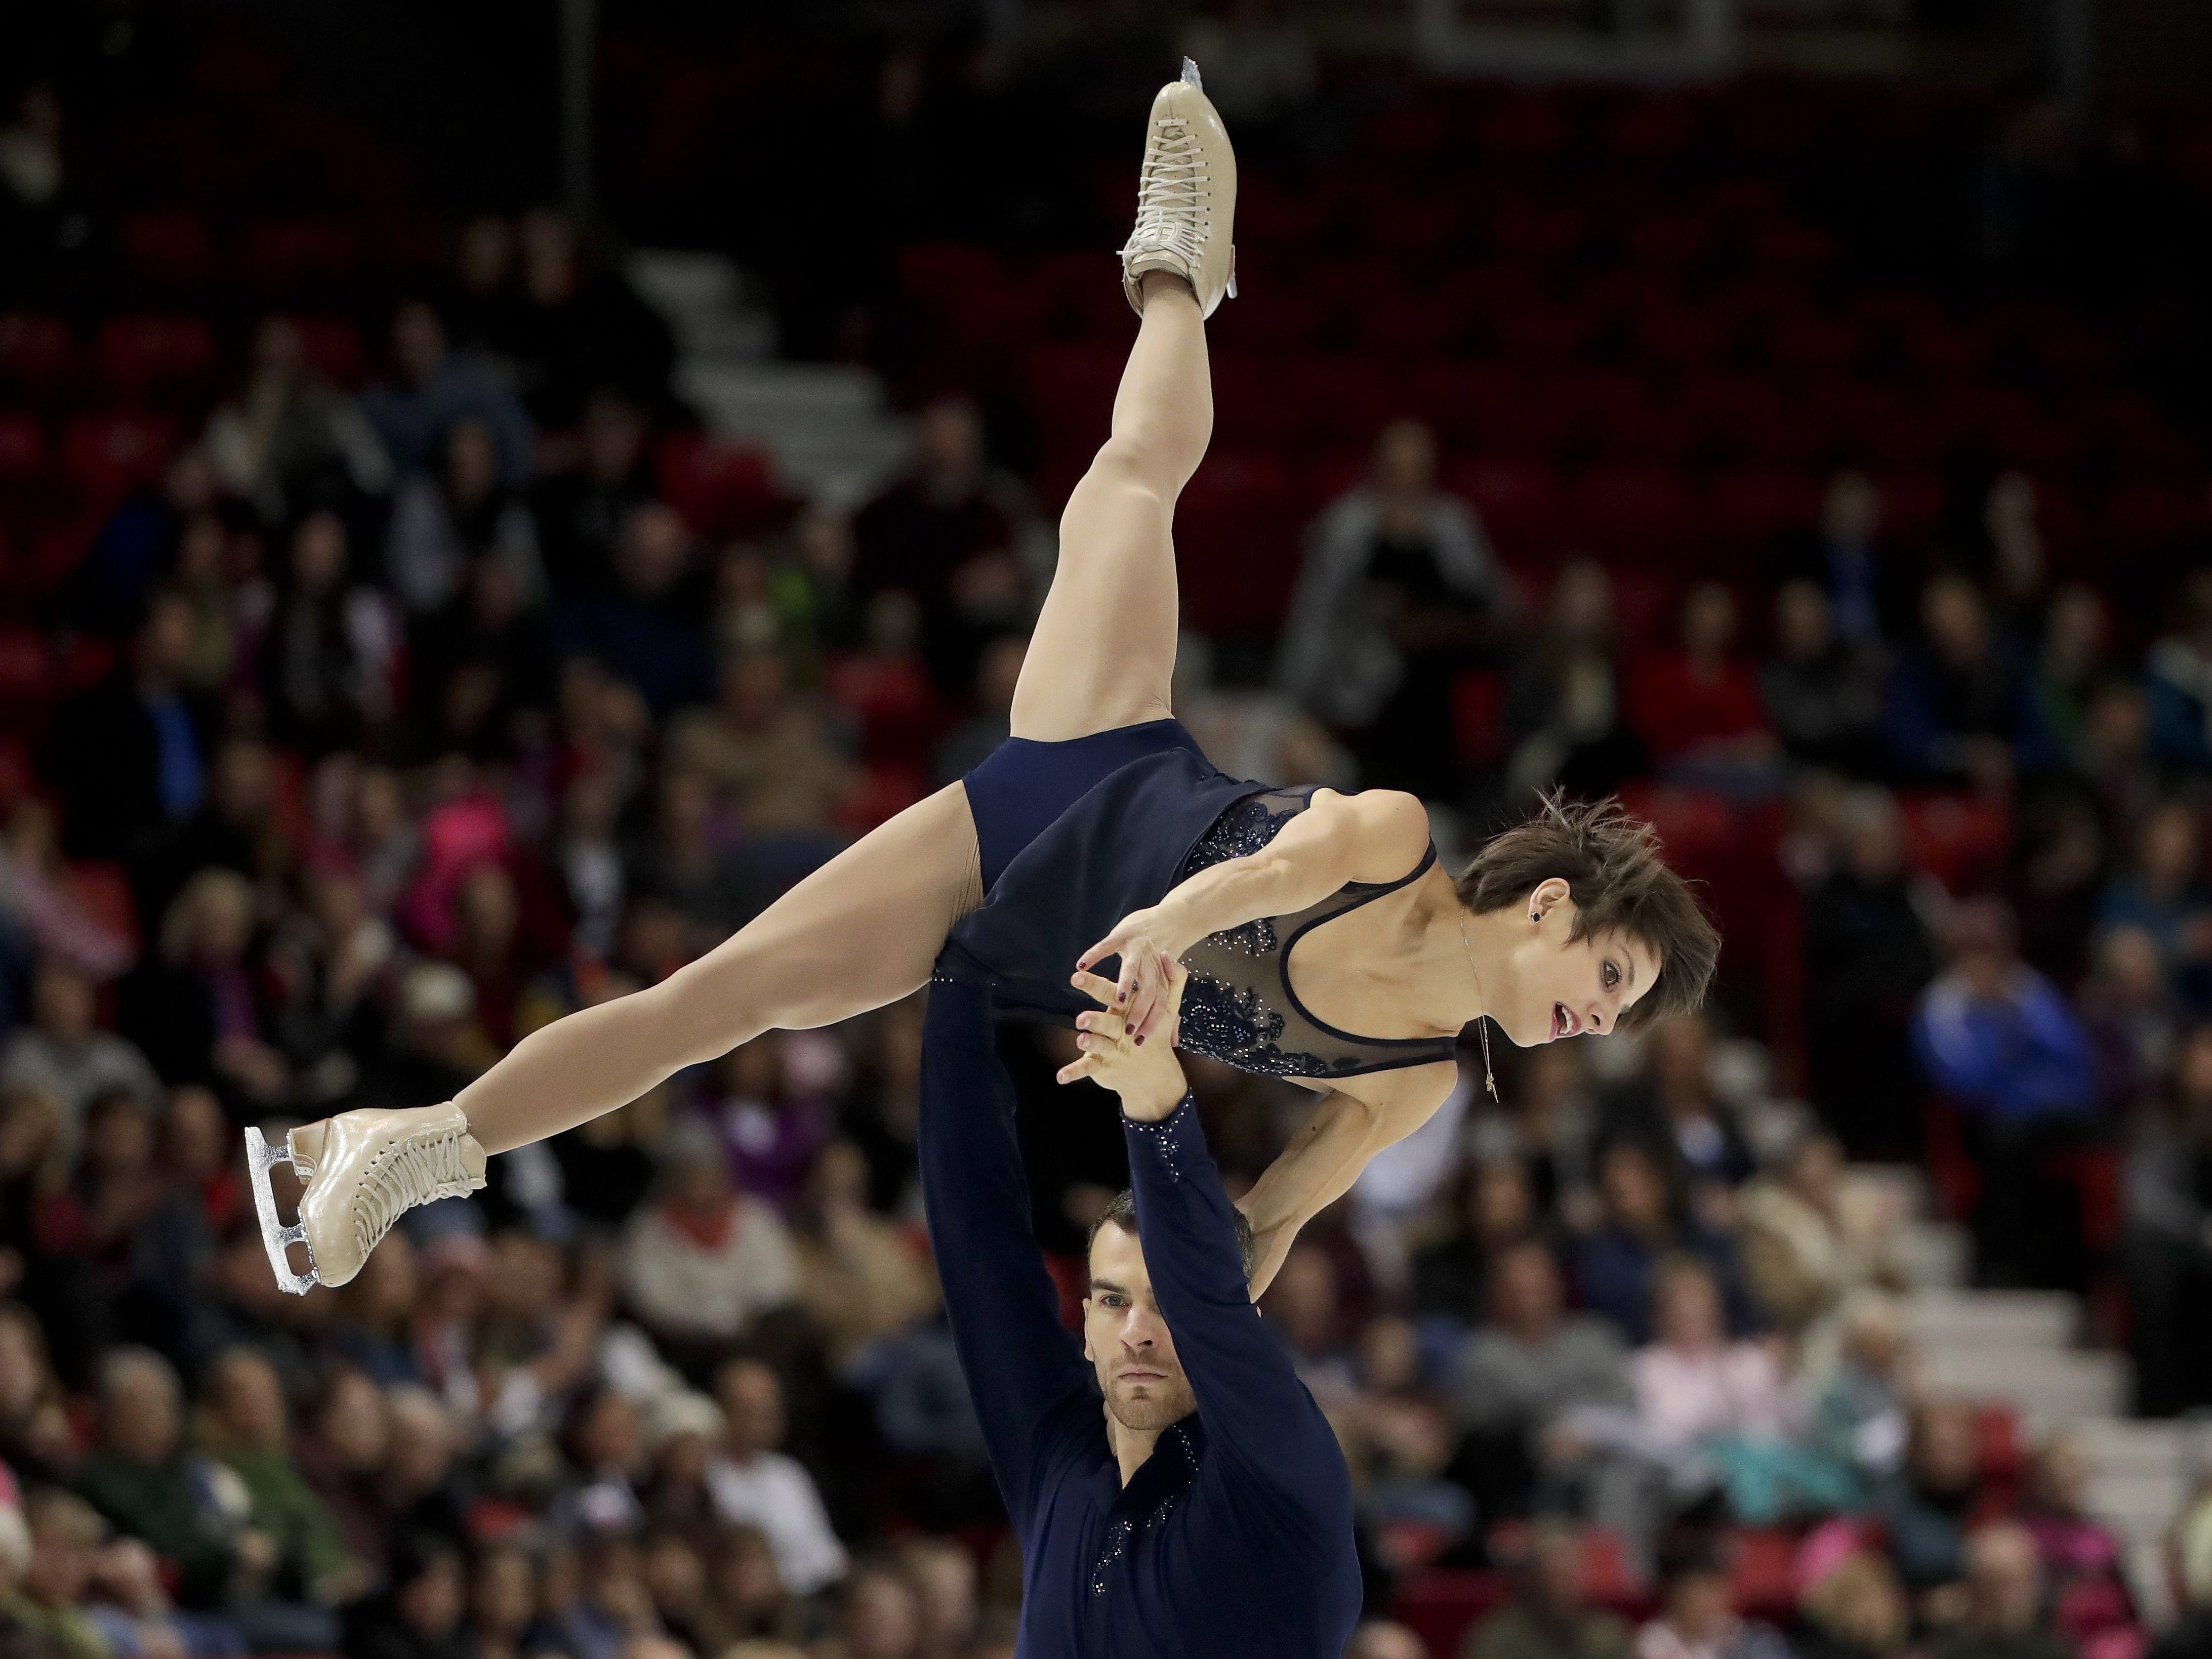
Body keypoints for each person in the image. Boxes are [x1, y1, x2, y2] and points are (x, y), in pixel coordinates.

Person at [252, 64, 1718, 1308]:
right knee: (1127, 488)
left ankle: (376, 1140)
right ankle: (1179, 274)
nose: (1600, 1018)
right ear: (1546, 907)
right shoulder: (1393, 837)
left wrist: (1186, 1332)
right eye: (1608, 979)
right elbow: (1244, 881)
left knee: (740, 1009)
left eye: (1620, 1013)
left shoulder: (1410, 1082)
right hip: (1090, 779)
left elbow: (1267, 1219)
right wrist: (1158, 932)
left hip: (1039, 947)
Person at [918, 897, 1359, 1651]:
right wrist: (959, 976)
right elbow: (976, 1238)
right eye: (1113, 1300)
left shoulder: (1278, 1476)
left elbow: (1208, 1291)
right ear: (1084, 1321)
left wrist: (1156, 1105)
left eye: (1166, 1304)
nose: (1137, 1333)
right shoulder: (1056, 1453)